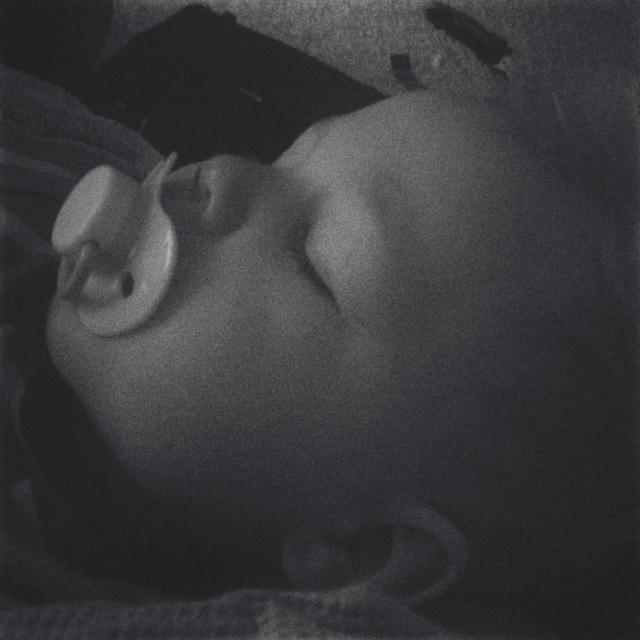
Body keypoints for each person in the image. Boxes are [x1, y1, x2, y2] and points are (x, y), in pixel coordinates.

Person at [44, 88, 638, 637]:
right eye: (286, 155)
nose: (223, 171)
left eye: (315, 260)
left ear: (361, 550)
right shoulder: (50, 153)